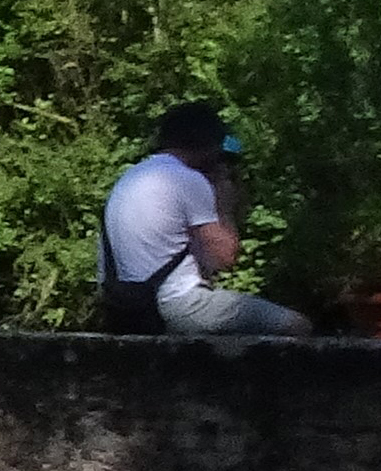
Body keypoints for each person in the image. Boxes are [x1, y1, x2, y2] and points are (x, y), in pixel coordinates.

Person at [101, 101, 311, 336]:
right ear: (208, 142)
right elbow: (223, 260)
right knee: (297, 326)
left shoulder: (132, 176)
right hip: (176, 305)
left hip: (124, 306)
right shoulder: (188, 179)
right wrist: (223, 205)